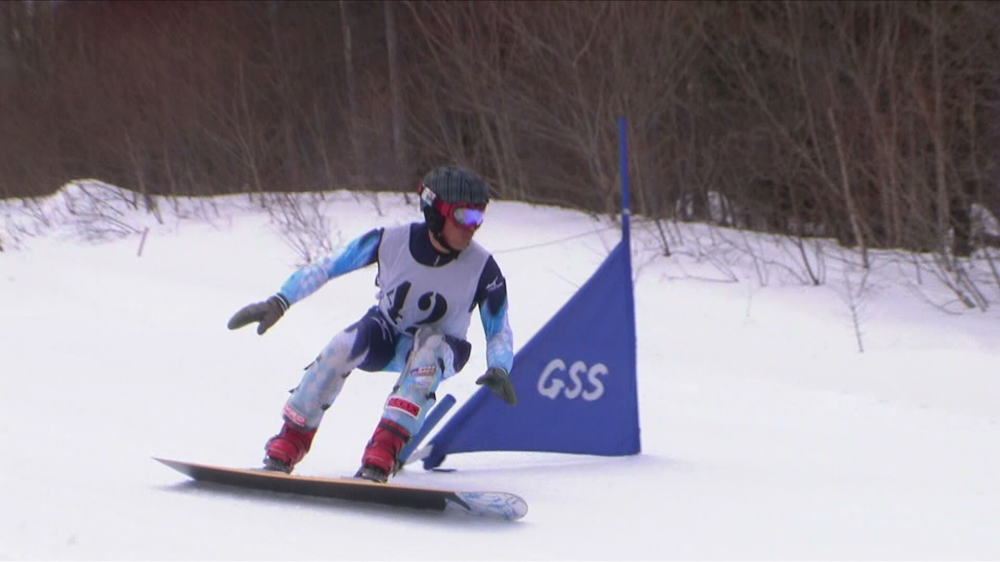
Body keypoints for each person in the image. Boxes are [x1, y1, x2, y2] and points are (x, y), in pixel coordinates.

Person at [227, 166, 518, 483]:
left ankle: (382, 453)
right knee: (342, 345)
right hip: (388, 337)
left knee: (428, 348)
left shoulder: (483, 267)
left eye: (480, 216)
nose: (472, 228)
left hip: (443, 350)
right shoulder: (390, 241)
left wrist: (499, 368)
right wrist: (280, 301)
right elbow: (327, 267)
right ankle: (288, 443)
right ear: (436, 212)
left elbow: (498, 328)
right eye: (464, 216)